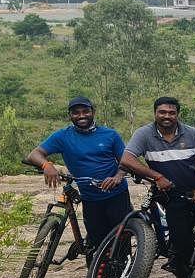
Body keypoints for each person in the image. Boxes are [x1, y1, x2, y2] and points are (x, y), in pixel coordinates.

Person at [122, 97, 195, 278]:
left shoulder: (193, 134)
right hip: (172, 195)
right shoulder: (144, 134)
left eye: (171, 112)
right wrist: (156, 176)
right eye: (162, 112)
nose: (167, 116)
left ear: (177, 114)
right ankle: (183, 271)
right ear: (155, 113)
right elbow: (127, 159)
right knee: (181, 237)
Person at [26, 97, 131, 251]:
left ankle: (127, 273)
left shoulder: (110, 134)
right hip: (90, 198)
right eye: (76, 113)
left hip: (117, 195)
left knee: (121, 238)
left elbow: (126, 162)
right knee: (97, 242)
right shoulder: (62, 136)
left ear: (93, 112)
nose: (81, 116)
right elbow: (34, 154)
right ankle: (97, 273)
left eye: (85, 111)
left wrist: (117, 177)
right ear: (70, 115)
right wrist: (46, 164)